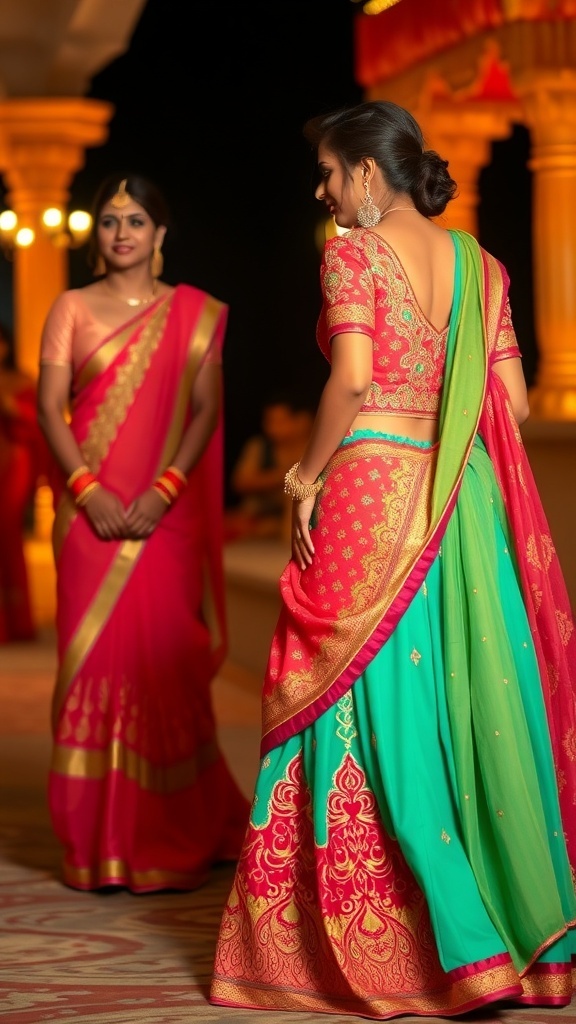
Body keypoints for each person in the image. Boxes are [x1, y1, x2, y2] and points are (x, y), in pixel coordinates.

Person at [210, 101, 576, 1017]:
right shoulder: (484, 268)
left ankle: (429, 943)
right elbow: (516, 406)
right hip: (460, 500)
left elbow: (354, 377)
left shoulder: (353, 253)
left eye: (332, 172)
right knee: (452, 703)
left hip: (370, 490)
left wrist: (303, 476)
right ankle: (500, 938)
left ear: (371, 174)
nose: (325, 190)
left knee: (352, 695)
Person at [37, 173, 250, 892]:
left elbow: (204, 410)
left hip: (167, 517)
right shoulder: (71, 308)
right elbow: (48, 408)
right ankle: (96, 842)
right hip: (87, 517)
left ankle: (170, 832)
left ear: (160, 236)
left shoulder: (193, 314)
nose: (121, 232)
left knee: (165, 664)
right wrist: (86, 489)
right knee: (93, 666)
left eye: (135, 221)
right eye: (107, 220)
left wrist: (164, 491)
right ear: (94, 234)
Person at [0, 322, 44, 642]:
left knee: (9, 535)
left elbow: (39, 423)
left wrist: (10, 407)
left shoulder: (21, 381)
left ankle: (17, 622)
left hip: (12, 464)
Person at [225, 393, 314, 541]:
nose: (272, 428)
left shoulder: (316, 450)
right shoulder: (260, 447)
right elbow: (241, 482)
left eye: (280, 422)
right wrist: (286, 475)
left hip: (299, 520)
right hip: (257, 517)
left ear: (302, 421)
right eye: (269, 421)